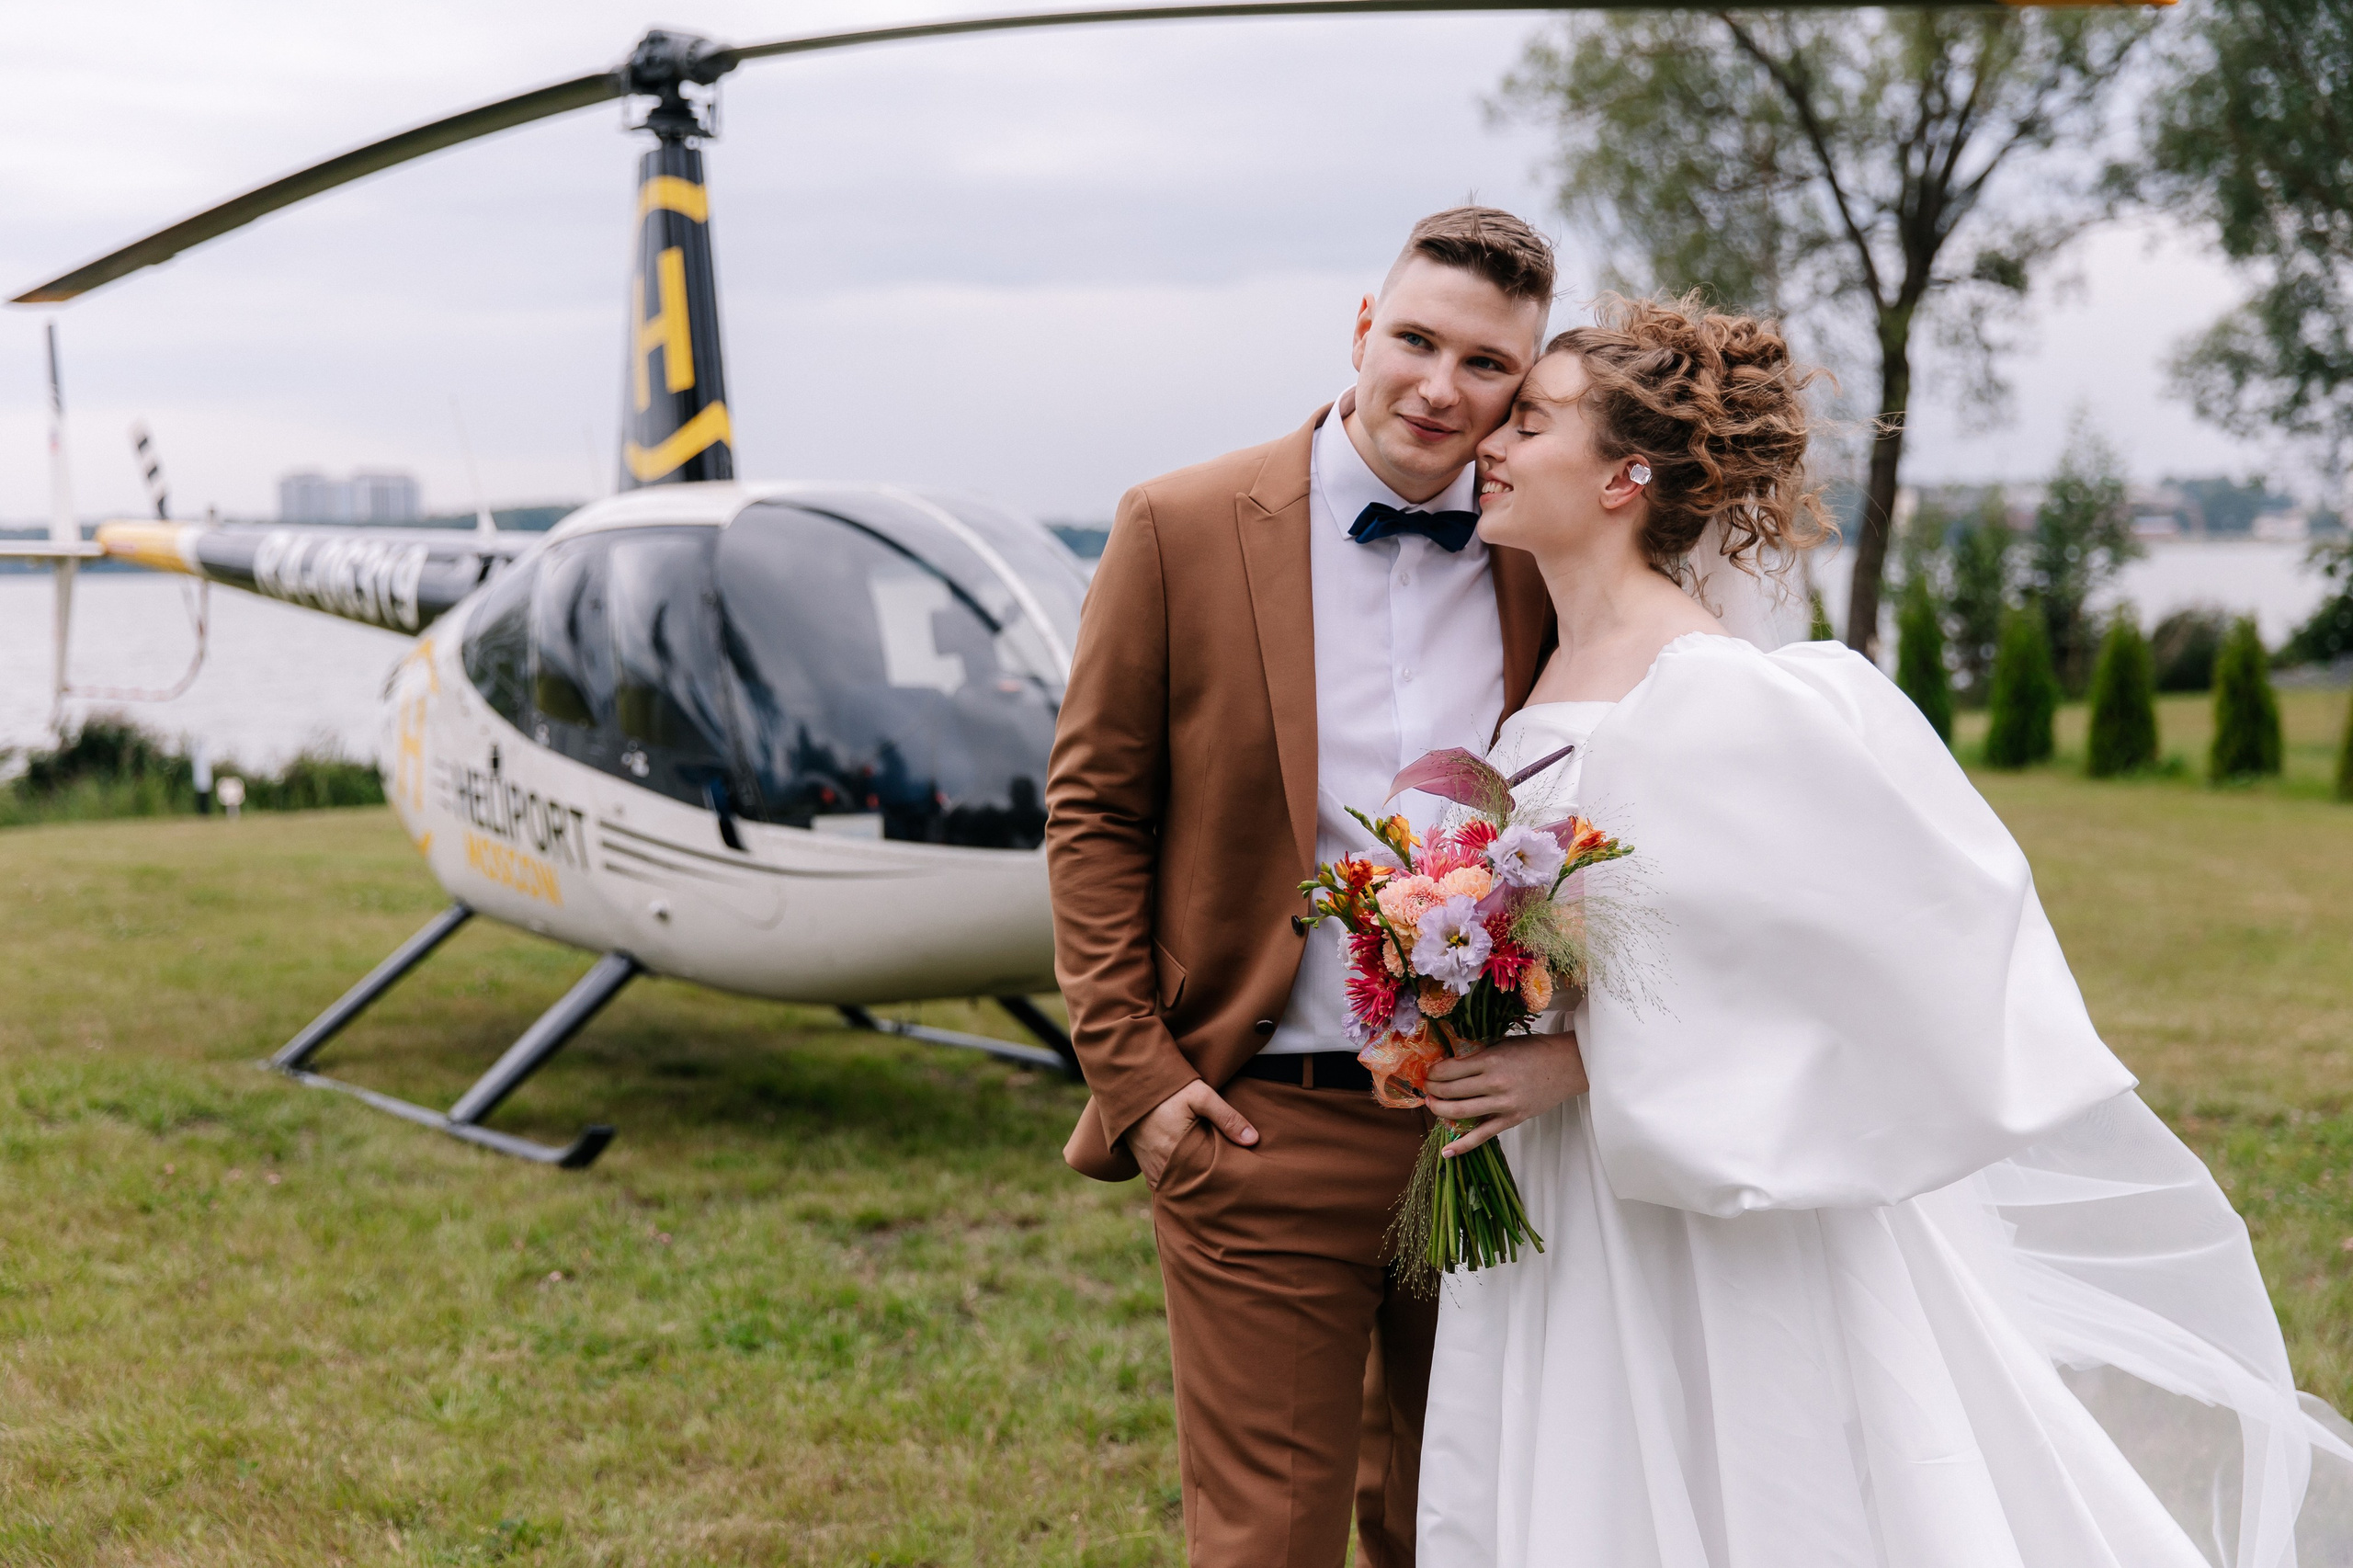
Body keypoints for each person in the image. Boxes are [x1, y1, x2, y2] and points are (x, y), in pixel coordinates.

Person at [1413, 293, 2353, 1565]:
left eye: (1531, 419)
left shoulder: (1715, 691)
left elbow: (1814, 958)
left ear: (1627, 473)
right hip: (1565, 1186)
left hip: (1694, 1199)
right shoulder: (1547, 680)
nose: (1495, 441)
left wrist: (1573, 1060)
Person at [1045, 206, 1560, 1566]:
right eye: (1417, 340)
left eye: (1489, 365)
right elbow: (1094, 812)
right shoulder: (1180, 524)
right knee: (1267, 1542)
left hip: (1493, 1140)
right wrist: (1142, 1086)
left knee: (1455, 1530)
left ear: (1527, 385)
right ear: (1360, 330)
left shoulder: (1544, 553)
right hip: (1260, 1126)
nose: (1442, 388)